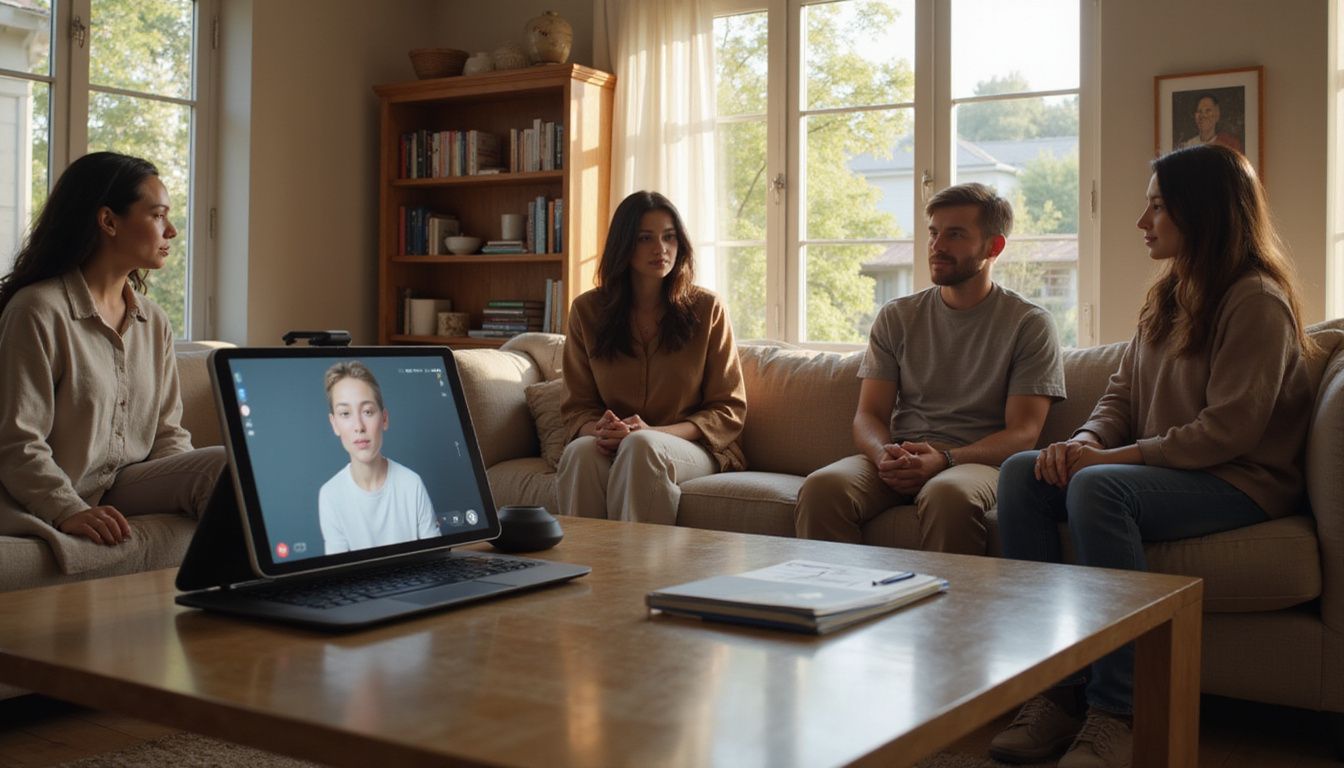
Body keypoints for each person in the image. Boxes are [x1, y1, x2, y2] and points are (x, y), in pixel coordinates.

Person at [989, 143, 1316, 768]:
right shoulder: (1170, 293)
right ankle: (1053, 693)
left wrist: (1119, 460)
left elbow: (1230, 431)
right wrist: (1083, 442)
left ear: (1204, 213)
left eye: (1157, 207)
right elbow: (1120, 396)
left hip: (1240, 481)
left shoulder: (1256, 300)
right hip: (1174, 472)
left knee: (1097, 489)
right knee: (1022, 472)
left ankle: (1120, 711)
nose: (1143, 223)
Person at [794, 183, 1065, 554]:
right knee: (822, 488)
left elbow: (1023, 434)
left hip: (974, 461)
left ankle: (952, 613)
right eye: (934, 233)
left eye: (955, 234)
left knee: (948, 495)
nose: (937, 246)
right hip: (899, 456)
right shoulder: (897, 315)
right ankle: (837, 606)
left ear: (993, 247)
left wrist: (946, 459)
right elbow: (868, 414)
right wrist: (883, 456)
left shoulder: (1029, 323)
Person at [0, 151, 226, 559]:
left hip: (126, 485)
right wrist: (67, 508)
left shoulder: (153, 320)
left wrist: (180, 489)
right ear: (108, 221)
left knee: (225, 467)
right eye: (157, 215)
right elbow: (18, 441)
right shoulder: (37, 310)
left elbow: (168, 434)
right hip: (61, 486)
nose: (171, 230)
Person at [558, 191, 746, 524]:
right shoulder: (588, 311)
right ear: (624, 245)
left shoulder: (707, 309)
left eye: (669, 237)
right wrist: (602, 430)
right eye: (645, 238)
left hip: (692, 447)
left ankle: (644, 575)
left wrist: (653, 432)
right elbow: (577, 407)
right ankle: (583, 569)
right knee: (580, 453)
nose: (660, 248)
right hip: (619, 443)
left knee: (642, 447)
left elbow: (728, 410)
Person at [318, 361, 438, 554]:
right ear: (334, 424)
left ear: (384, 419)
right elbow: (338, 575)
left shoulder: (411, 484)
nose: (359, 426)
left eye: (367, 412)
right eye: (345, 413)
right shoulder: (330, 495)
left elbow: (436, 557)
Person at [1179, 93, 1243, 153]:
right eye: (1199, 111)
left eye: (1208, 110)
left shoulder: (1229, 145)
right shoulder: (1188, 146)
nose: (1203, 116)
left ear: (1217, 114)